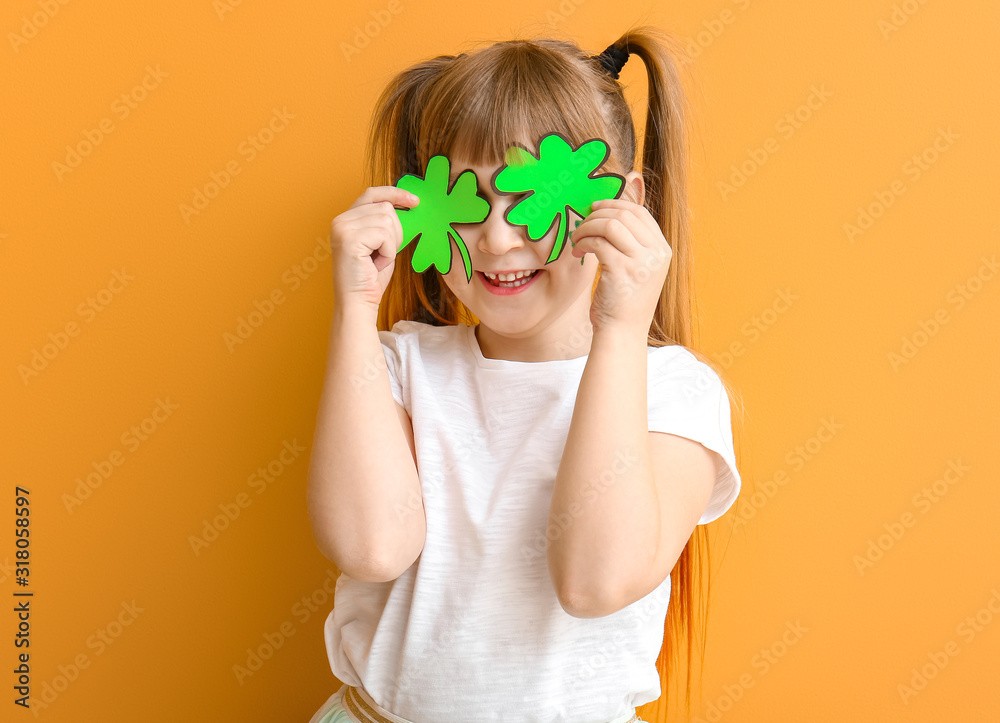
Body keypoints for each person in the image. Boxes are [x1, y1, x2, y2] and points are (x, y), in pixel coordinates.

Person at [306, 25, 746, 723]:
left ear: (625, 203)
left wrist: (620, 327)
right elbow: (372, 546)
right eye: (468, 198)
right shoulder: (397, 365)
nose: (498, 238)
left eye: (532, 194)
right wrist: (355, 308)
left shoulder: (673, 392)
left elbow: (594, 581)